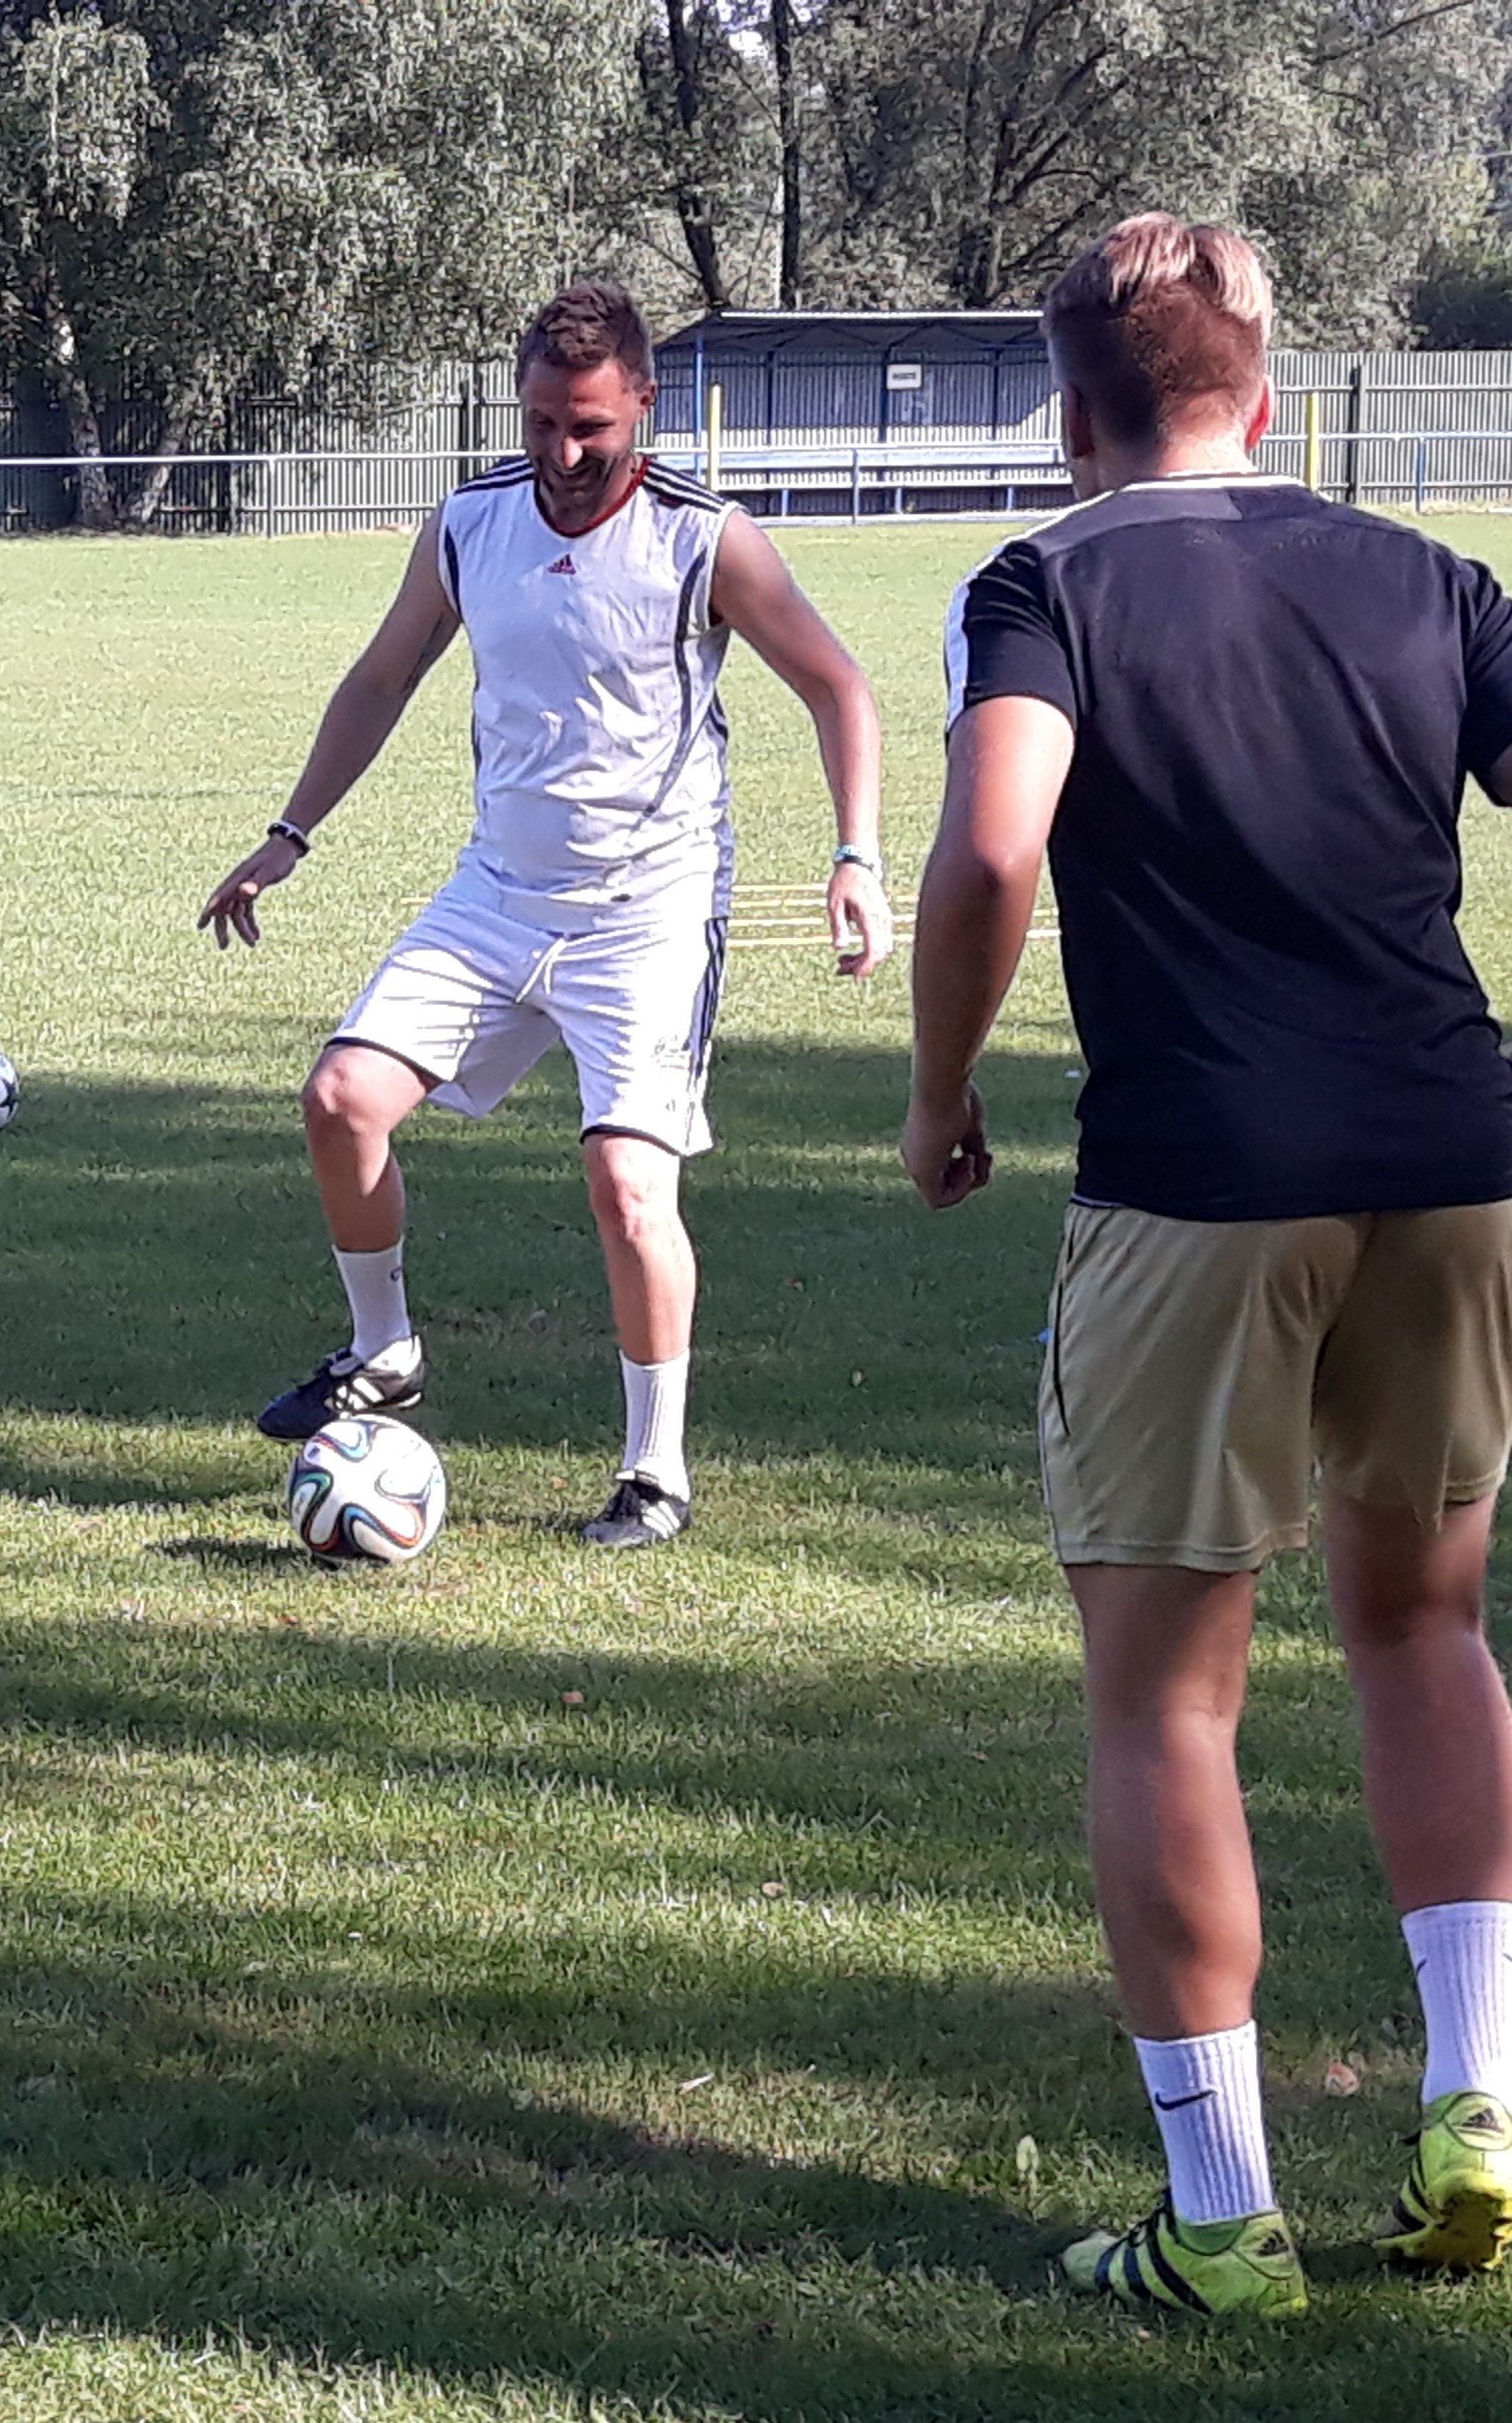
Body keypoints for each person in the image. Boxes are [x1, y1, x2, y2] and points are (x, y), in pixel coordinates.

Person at [907, 213, 1512, 2317]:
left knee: (1162, 1694)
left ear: (1067, 415)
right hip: (1453, 1159)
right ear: (1265, 391)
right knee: (1423, 1628)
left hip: (1196, 1182)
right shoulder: (1431, 579)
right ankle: (1475, 2107)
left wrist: (937, 1089)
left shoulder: (1042, 583)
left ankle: (1221, 2219)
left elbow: (993, 846)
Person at [200, 280, 887, 1547]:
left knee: (628, 1184)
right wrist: (288, 835)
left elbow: (839, 687)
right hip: (498, 894)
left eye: (590, 429)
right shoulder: (471, 525)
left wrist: (857, 854)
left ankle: (654, 1475)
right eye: (540, 425)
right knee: (340, 1099)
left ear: (644, 406)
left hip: (649, 910)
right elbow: (381, 677)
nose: (564, 456)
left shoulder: (704, 539)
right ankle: (383, 1350)